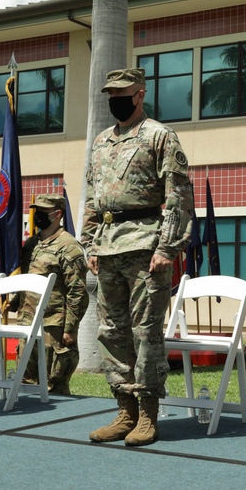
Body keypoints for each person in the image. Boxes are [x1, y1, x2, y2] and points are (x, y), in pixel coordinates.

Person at [82, 67, 193, 447]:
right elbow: (93, 197)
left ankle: (147, 414)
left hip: (146, 244)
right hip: (108, 245)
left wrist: (167, 247)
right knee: (112, 332)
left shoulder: (159, 135)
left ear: (140, 94)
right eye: (110, 92)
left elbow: (178, 196)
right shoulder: (100, 142)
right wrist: (90, 244)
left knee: (145, 332)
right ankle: (124, 410)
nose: (116, 98)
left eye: (122, 92)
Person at [9, 193, 88, 394]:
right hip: (28, 322)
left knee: (53, 387)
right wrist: (16, 300)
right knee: (25, 384)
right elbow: (27, 276)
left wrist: (70, 327)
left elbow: (77, 290)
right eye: (37, 212)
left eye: (44, 212)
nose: (38, 216)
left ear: (58, 214)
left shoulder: (68, 246)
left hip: (53, 326)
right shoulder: (31, 244)